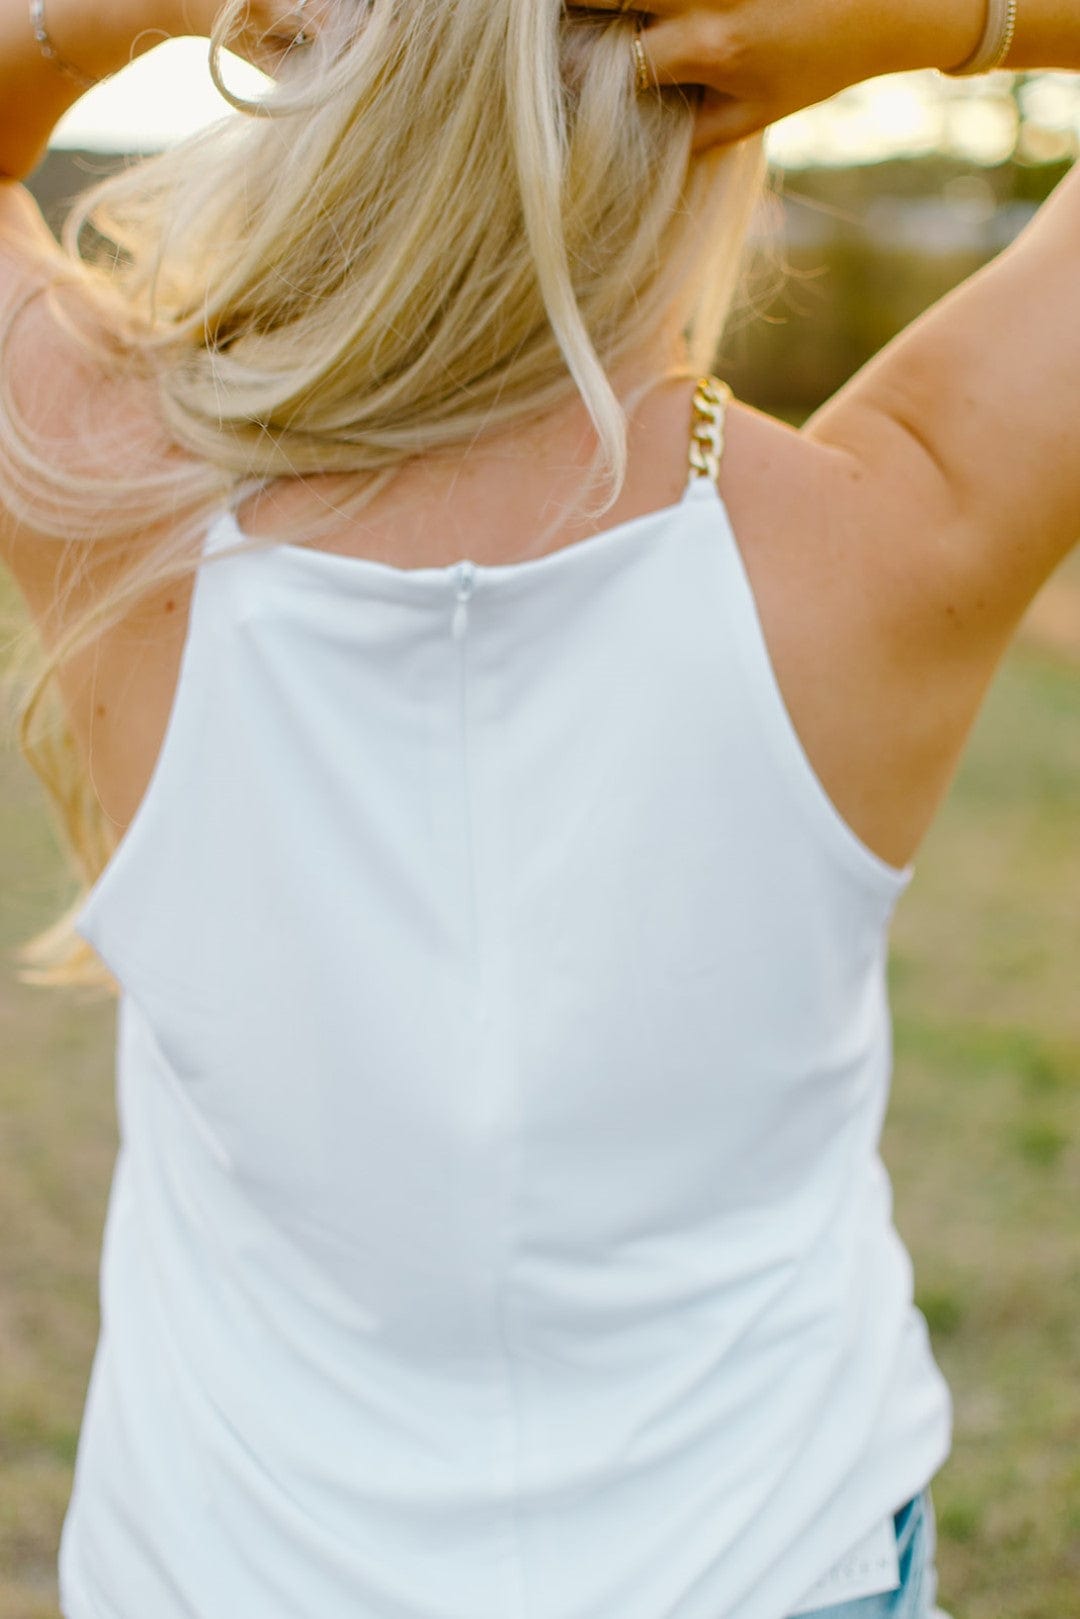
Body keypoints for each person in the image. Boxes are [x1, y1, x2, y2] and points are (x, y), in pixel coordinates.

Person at [0, 0, 1076, 1614]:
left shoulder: (115, 502)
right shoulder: (889, 540)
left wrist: (133, 10)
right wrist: (944, 24)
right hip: (775, 1569)